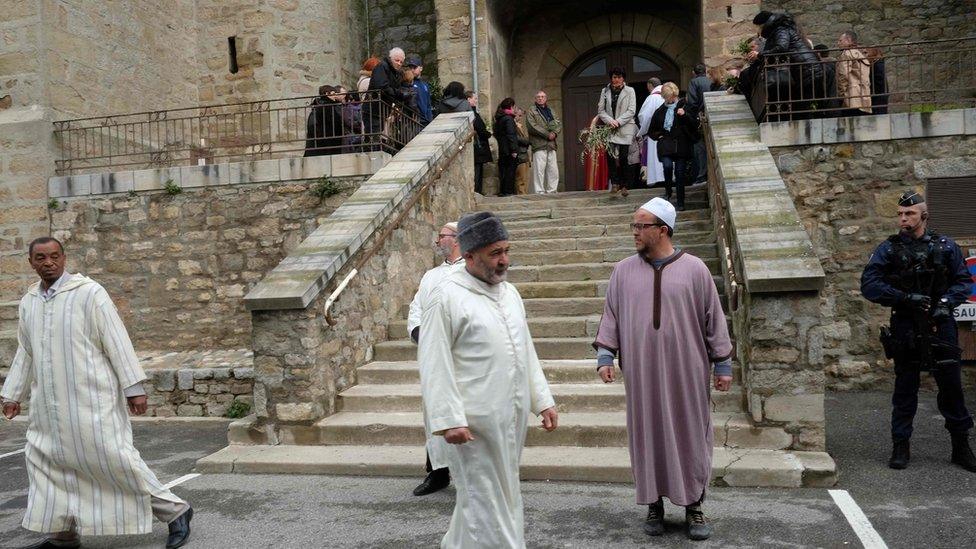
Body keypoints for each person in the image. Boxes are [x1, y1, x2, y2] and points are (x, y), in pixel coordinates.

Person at [1, 237, 194, 549]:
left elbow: (115, 339)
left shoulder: (89, 294)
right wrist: (12, 394)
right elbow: (26, 352)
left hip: (90, 400)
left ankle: (176, 511)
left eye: (54, 256)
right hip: (47, 406)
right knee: (47, 463)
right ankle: (64, 534)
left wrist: (134, 388)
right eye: (40, 258)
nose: (48, 263)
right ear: (31, 262)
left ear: (63, 258)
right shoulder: (29, 302)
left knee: (113, 460)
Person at [593, 198, 733, 541]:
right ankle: (653, 503)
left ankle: (694, 506)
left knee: (691, 435)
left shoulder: (695, 269)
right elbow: (611, 315)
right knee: (647, 434)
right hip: (641, 374)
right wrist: (606, 356)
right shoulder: (623, 271)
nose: (636, 232)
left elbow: (713, 318)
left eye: (642, 226)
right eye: (634, 226)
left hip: (687, 372)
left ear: (663, 230)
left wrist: (723, 363)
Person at [418, 212, 558, 548]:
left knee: (500, 494)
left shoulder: (510, 293)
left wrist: (542, 399)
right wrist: (448, 419)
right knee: (485, 499)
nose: (504, 261)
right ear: (468, 255)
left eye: (506, 251)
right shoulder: (445, 296)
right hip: (472, 425)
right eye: (495, 254)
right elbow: (433, 361)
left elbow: (525, 348)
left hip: (509, 419)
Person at [860, 190, 976, 472]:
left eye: (909, 213)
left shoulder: (946, 246)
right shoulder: (888, 249)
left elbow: (964, 281)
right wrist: (903, 297)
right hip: (906, 324)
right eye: (900, 214)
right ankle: (901, 447)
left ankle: (961, 448)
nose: (903, 218)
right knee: (905, 389)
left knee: (951, 388)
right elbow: (869, 284)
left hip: (941, 324)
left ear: (923, 215)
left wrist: (945, 304)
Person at [407, 222, 464, 497]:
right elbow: (416, 308)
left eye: (441, 236)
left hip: (463, 355)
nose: (437, 240)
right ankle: (438, 472)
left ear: (455, 239)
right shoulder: (430, 275)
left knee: (467, 410)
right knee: (435, 411)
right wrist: (420, 334)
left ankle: (474, 472)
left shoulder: (471, 271)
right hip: (433, 354)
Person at [751, 11, 823, 120]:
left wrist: (760, 54)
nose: (758, 31)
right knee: (802, 105)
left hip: (807, 69)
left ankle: (807, 131)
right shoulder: (781, 29)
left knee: (803, 106)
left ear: (763, 25)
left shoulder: (781, 30)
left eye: (758, 27)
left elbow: (781, 48)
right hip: (806, 69)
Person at [648, 82, 696, 210]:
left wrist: (684, 115)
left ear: (675, 95)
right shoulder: (659, 111)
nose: (669, 100)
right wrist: (659, 136)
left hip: (681, 145)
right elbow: (651, 130)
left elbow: (694, 125)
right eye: (667, 97)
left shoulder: (685, 106)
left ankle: (680, 202)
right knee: (667, 167)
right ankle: (668, 192)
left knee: (680, 173)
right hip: (666, 146)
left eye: (671, 97)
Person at [597, 67, 638, 197]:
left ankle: (625, 185)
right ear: (611, 78)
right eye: (614, 77)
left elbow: (632, 110)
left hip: (625, 127)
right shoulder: (605, 91)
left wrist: (619, 121)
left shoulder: (630, 90)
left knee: (624, 156)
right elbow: (601, 111)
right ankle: (615, 183)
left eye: (619, 77)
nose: (617, 80)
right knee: (610, 157)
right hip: (610, 128)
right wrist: (610, 121)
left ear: (623, 78)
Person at [366, 47, 406, 147]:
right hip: (373, 108)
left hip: (380, 109)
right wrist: (398, 94)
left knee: (376, 135)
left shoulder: (395, 72)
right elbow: (382, 86)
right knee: (373, 136)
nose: (399, 63)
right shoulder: (382, 67)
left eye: (401, 62)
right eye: (397, 60)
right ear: (390, 58)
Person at [525, 90, 562, 194]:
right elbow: (532, 126)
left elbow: (558, 123)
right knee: (539, 170)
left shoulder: (551, 110)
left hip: (551, 144)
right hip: (539, 143)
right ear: (535, 99)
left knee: (553, 169)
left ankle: (552, 190)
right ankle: (539, 190)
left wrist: (554, 133)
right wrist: (547, 134)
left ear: (546, 98)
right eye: (538, 97)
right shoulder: (532, 111)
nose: (540, 98)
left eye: (542, 96)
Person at [636, 77, 665, 187]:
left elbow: (645, 116)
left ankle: (656, 180)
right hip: (667, 135)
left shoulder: (652, 98)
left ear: (649, 85)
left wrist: (643, 130)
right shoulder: (668, 95)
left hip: (654, 135)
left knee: (655, 160)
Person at [836, 31, 872, 117]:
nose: (838, 43)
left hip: (851, 96)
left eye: (840, 41)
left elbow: (843, 74)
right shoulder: (860, 54)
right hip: (864, 97)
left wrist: (840, 93)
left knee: (849, 126)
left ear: (848, 40)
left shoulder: (847, 53)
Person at [685, 64, 710, 185]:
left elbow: (692, 102)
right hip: (710, 117)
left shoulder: (694, 82)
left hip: (699, 119)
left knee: (699, 148)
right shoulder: (710, 81)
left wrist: (690, 117)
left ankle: (701, 176)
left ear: (694, 72)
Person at [304, 85, 344, 156]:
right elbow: (332, 123)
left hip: (320, 144)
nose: (335, 96)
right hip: (326, 144)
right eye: (333, 94)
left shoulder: (320, 106)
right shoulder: (326, 107)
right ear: (327, 94)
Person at [466, 91, 492, 195]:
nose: (476, 101)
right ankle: (477, 190)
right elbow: (480, 129)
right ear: (468, 99)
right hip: (478, 145)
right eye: (474, 98)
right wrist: (487, 133)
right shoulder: (472, 113)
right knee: (477, 170)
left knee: (479, 169)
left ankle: (478, 190)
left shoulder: (473, 112)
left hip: (478, 145)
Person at [494, 98, 519, 197]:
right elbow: (511, 134)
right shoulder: (508, 119)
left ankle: (503, 190)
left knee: (504, 171)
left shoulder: (500, 118)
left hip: (502, 148)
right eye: (514, 107)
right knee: (510, 171)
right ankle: (508, 191)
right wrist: (514, 149)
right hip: (509, 149)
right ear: (511, 107)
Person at [405, 56, 433, 125]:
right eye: (410, 68)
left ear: (421, 68)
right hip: (414, 121)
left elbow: (428, 104)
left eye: (414, 67)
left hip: (426, 120)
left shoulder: (425, 85)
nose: (412, 70)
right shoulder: (407, 83)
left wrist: (430, 119)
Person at [812, 44, 840, 116]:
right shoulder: (835, 64)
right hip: (835, 101)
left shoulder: (822, 67)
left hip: (825, 103)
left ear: (818, 54)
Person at [338, 86, 365, 153]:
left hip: (354, 134)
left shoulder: (347, 107)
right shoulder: (346, 107)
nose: (345, 97)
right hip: (353, 135)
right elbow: (349, 121)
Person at [513, 107, 532, 195]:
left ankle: (524, 194)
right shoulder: (513, 125)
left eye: (521, 116)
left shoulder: (520, 125)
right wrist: (527, 140)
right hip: (520, 154)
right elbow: (519, 139)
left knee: (525, 178)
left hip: (524, 154)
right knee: (520, 178)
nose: (520, 118)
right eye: (519, 115)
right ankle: (521, 195)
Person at [864, 46, 888, 115]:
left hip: (878, 98)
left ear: (873, 54)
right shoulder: (877, 64)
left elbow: (878, 82)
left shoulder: (877, 65)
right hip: (878, 98)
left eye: (866, 53)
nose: (864, 56)